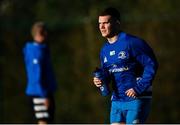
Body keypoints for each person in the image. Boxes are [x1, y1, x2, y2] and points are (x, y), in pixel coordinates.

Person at [93, 7, 158, 124]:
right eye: (99, 24)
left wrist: (139, 88)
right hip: (117, 100)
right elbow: (108, 73)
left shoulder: (132, 42)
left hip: (136, 98)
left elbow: (151, 64)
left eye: (106, 23)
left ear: (117, 23)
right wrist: (101, 80)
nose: (101, 27)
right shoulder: (104, 49)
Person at [23, 22, 57, 124]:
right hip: (39, 94)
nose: (47, 34)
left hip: (45, 92)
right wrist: (44, 96)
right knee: (43, 122)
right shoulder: (35, 52)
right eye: (45, 32)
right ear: (40, 33)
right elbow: (36, 76)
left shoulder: (43, 49)